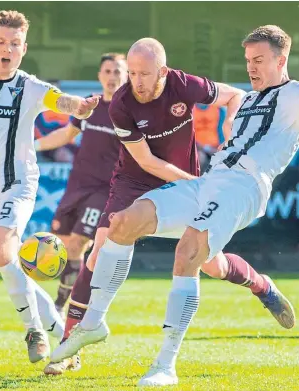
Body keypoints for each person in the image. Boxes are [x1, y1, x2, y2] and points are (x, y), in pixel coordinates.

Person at [50, 26, 299, 387]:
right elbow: (233, 100)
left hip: (244, 186)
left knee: (188, 251)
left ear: (282, 60)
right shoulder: (248, 99)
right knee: (122, 223)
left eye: (259, 60)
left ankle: (165, 365)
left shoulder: (296, 92)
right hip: (209, 179)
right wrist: (233, 114)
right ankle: (93, 324)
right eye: (248, 60)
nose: (252, 67)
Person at [48, 37, 245, 372]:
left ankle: (258, 284)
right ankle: (74, 341)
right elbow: (148, 161)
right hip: (135, 181)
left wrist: (230, 123)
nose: (136, 81)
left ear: (163, 72)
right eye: (133, 73)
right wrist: (194, 183)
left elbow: (235, 95)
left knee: (208, 261)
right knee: (99, 248)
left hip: (184, 180)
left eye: (144, 74)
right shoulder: (120, 104)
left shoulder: (185, 85)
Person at [0, 10, 99, 364]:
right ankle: (66, 344)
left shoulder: (30, 87)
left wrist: (82, 108)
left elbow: (63, 102)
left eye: (15, 43)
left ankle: (34, 330)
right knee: (7, 266)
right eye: (1, 42)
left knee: (0, 249)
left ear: (24, 49)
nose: (7, 49)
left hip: (16, 186)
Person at [34, 52, 127, 375]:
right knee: (57, 248)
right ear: (100, 75)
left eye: (118, 70)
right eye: (107, 70)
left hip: (104, 191)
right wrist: (30, 148)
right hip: (76, 186)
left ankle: (62, 310)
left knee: (77, 246)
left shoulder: (128, 110)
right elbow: (66, 135)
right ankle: (64, 306)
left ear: (126, 75)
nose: (113, 75)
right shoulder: (90, 106)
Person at [34, 79, 76, 163]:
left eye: (56, 90)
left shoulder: (68, 107)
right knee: (63, 155)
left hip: (67, 144)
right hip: (47, 145)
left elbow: (73, 127)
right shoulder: (38, 108)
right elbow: (42, 129)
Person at [193, 103, 226, 172]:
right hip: (197, 148)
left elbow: (222, 132)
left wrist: (220, 148)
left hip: (216, 147)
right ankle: (195, 180)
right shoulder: (191, 110)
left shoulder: (219, 110)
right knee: (199, 158)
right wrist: (203, 147)